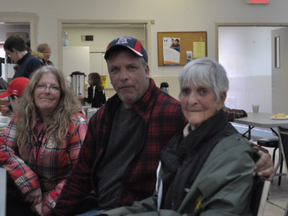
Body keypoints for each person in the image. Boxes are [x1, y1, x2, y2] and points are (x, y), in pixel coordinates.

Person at [51, 37, 273, 216]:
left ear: (146, 71)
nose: (123, 77)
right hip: (105, 207)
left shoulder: (172, 112)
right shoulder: (102, 117)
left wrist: (256, 153)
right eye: (115, 70)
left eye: (131, 67)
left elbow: (219, 134)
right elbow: (80, 175)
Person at [100, 57, 265, 216]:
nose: (192, 100)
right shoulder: (181, 143)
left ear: (221, 99)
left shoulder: (233, 156)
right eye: (186, 91)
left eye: (202, 91)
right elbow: (160, 201)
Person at [0, 65, 88, 216]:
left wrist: (48, 203)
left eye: (54, 87)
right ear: (32, 90)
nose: (47, 91)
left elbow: (81, 173)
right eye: (41, 86)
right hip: (26, 193)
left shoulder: (76, 123)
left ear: (62, 94)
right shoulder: (21, 115)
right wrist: (29, 183)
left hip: (63, 200)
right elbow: (4, 148)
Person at [2, 34, 43, 115]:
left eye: (9, 53)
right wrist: (10, 107)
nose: (10, 57)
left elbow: (39, 89)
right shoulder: (23, 64)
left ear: (15, 51)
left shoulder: (32, 62)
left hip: (32, 112)